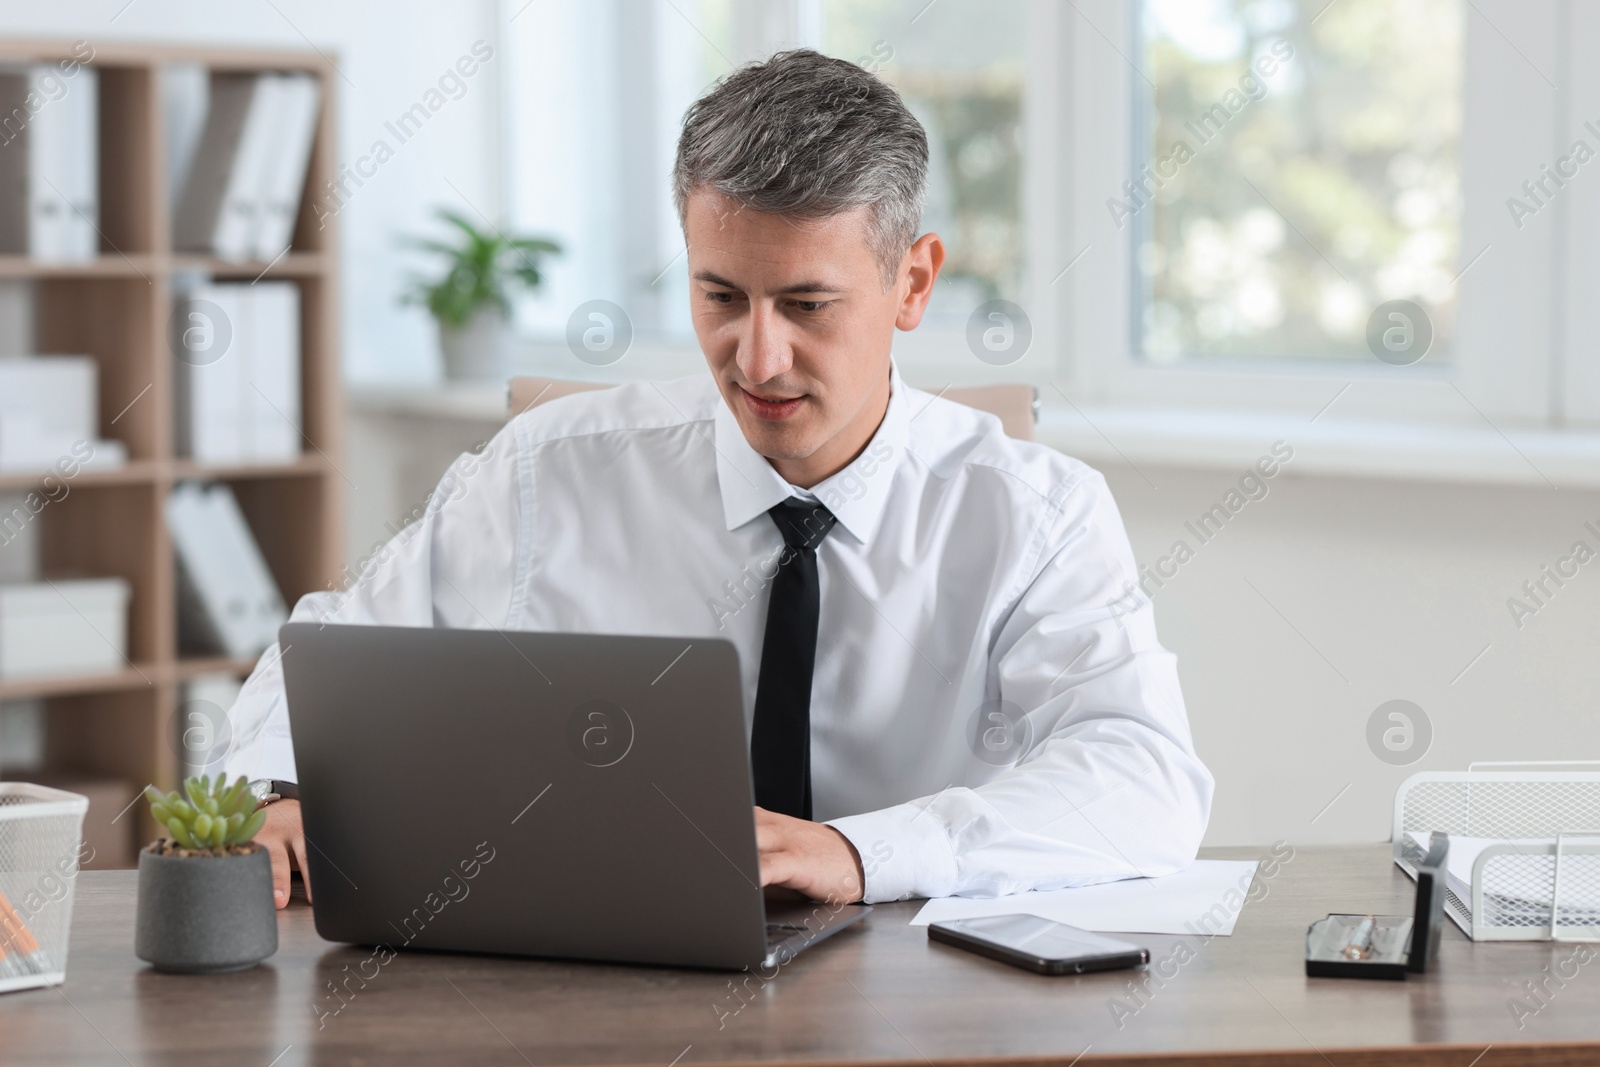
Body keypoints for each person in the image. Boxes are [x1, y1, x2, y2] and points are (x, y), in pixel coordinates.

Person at [225, 49, 1213, 911]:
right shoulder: (544, 470)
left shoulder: (1038, 513)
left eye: (806, 303)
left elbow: (1143, 779)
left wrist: (859, 852)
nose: (759, 357)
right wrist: (279, 790)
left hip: (917, 995)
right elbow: (333, 652)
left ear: (912, 283)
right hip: (594, 977)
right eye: (721, 297)